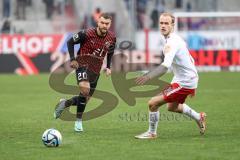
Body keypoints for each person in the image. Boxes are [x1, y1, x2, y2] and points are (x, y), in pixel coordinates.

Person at [135, 12, 206, 139]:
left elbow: (165, 66)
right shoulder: (173, 39)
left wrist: (148, 76)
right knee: (172, 107)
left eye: (166, 23)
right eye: (161, 23)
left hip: (185, 81)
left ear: (172, 25)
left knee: (153, 103)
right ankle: (199, 117)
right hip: (182, 78)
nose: (163, 26)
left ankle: (152, 133)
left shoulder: (172, 42)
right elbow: (189, 59)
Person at [54, 13, 116, 132]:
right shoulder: (86, 34)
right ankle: (78, 122)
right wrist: (72, 59)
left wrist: (108, 66)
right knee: (85, 90)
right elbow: (70, 42)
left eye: (107, 24)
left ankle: (65, 103)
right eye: (102, 23)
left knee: (85, 99)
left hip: (95, 70)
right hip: (82, 65)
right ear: (98, 22)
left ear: (110, 24)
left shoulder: (112, 37)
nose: (104, 25)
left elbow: (111, 51)